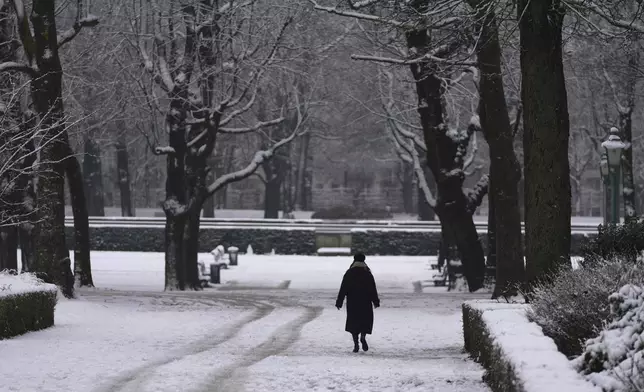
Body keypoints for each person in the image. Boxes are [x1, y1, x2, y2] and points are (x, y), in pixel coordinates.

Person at [335, 253, 380, 353]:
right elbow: (373, 289)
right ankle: (363, 337)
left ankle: (356, 344)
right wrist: (375, 301)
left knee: (353, 322)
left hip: (353, 301)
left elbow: (343, 288)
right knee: (365, 321)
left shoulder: (349, 273)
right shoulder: (367, 273)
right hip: (365, 301)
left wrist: (339, 302)